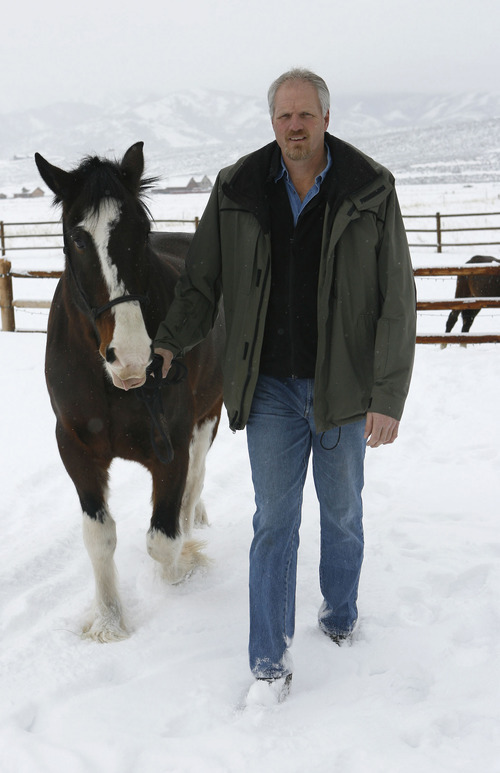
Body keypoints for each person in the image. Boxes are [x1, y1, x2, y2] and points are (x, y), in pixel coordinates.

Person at [154, 68, 416, 707]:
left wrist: (388, 395)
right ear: (272, 122)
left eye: (305, 115)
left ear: (325, 117)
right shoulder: (239, 188)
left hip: (344, 388)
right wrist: (168, 341)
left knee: (343, 512)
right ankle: (268, 658)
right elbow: (202, 280)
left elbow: (396, 300)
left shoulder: (370, 189)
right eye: (283, 116)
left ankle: (341, 611)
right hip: (270, 387)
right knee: (274, 520)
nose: (294, 126)